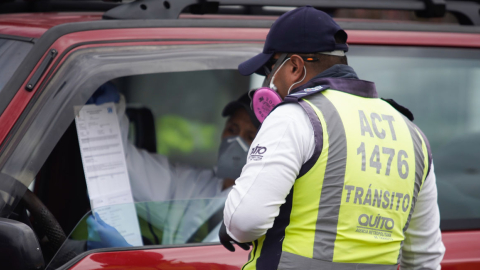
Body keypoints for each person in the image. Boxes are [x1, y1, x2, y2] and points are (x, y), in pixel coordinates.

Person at [221, 6, 445, 270]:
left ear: (295, 66)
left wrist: (232, 225)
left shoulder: (294, 117)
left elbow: (245, 221)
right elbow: (425, 258)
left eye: (270, 70)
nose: (269, 82)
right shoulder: (412, 134)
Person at [85, 83, 259, 246]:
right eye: (232, 129)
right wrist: (106, 115)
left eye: (250, 136)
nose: (236, 141)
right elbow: (124, 165)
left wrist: (133, 262)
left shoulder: (259, 211)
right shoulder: (194, 183)